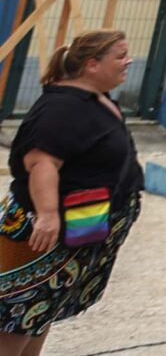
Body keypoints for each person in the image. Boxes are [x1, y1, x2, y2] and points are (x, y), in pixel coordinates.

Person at [0, 31, 144, 352]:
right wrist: (48, 216)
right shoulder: (62, 107)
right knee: (17, 315)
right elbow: (41, 162)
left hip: (79, 225)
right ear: (92, 65)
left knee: (41, 309)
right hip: (43, 232)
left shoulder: (93, 98)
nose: (129, 61)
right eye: (120, 56)